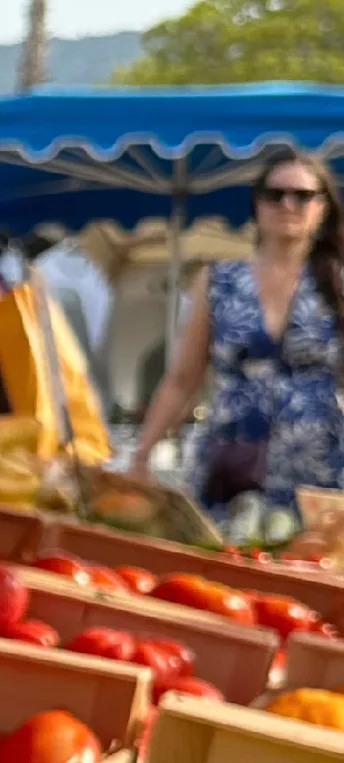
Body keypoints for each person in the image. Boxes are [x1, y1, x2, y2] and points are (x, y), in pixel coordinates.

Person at [131, 146, 344, 517]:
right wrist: (141, 454)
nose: (287, 204)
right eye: (274, 194)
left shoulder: (337, 284)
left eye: (303, 195)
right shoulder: (219, 280)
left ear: (323, 206)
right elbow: (182, 379)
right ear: (256, 204)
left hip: (319, 462)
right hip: (231, 455)